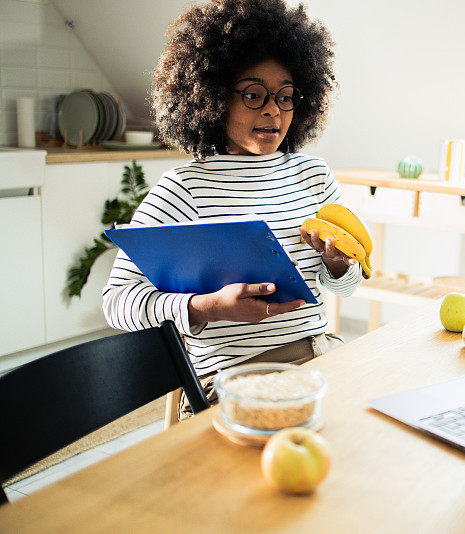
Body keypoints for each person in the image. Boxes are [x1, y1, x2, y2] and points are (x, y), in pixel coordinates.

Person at [102, 0, 360, 419]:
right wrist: (206, 307)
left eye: (286, 96)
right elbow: (118, 302)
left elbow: (347, 288)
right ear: (212, 97)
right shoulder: (183, 189)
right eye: (254, 95)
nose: (273, 110)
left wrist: (337, 267)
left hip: (321, 360)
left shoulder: (313, 176)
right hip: (233, 383)